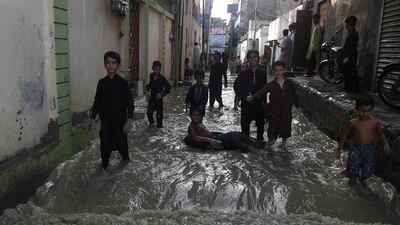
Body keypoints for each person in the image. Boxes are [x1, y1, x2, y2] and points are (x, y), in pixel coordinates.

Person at [90, 51, 134, 169]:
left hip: (120, 123)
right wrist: (93, 118)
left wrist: (129, 119)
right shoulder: (101, 83)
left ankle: (125, 168)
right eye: (108, 63)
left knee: (123, 151)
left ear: (118, 66)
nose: (110, 65)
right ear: (105, 65)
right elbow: (97, 102)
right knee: (104, 146)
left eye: (113, 63)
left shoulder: (123, 83)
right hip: (106, 123)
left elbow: (130, 102)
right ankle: (104, 170)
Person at [336, 94, 391, 186]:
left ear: (372, 110)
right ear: (357, 110)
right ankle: (352, 181)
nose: (365, 113)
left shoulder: (374, 122)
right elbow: (345, 135)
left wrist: (386, 144)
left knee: (368, 171)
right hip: (356, 149)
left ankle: (362, 178)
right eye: (362, 111)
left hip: (370, 149)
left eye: (368, 111)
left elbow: (381, 133)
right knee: (353, 170)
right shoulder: (353, 123)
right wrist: (339, 150)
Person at [247, 61, 299, 149]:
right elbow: (261, 92)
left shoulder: (289, 83)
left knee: (285, 128)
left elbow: (295, 95)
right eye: (276, 70)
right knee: (272, 129)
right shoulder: (271, 85)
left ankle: (283, 145)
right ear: (273, 72)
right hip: (275, 112)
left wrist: (298, 106)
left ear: (284, 70)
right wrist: (252, 97)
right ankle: (269, 144)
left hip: (286, 111)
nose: (278, 72)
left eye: (280, 70)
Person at [187, 108, 264, 152]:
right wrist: (210, 140)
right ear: (190, 116)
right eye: (194, 115)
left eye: (198, 115)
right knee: (234, 134)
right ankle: (250, 148)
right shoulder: (191, 126)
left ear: (201, 116)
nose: (196, 117)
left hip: (215, 137)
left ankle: (259, 144)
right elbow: (195, 137)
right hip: (214, 139)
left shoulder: (199, 124)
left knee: (238, 134)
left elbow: (206, 133)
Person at [236, 50, 268, 141]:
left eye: (255, 57)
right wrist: (238, 99)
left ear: (259, 59)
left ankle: (259, 142)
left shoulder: (263, 73)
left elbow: (264, 88)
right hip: (246, 102)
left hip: (258, 102)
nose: (253, 59)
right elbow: (240, 87)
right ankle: (246, 142)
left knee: (260, 123)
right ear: (248, 59)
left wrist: (264, 102)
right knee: (245, 123)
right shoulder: (244, 73)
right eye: (250, 57)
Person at [146, 60, 172, 128]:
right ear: (152, 68)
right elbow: (150, 84)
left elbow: (169, 87)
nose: (156, 71)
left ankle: (159, 126)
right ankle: (151, 124)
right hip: (152, 98)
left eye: (158, 70)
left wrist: (161, 94)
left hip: (159, 100)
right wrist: (147, 88)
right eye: (155, 69)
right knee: (149, 112)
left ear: (160, 70)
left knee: (159, 118)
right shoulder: (151, 75)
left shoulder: (162, 78)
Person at [341, 16, 359, 93]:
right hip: (351, 56)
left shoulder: (353, 34)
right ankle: (354, 89)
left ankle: (348, 91)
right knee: (352, 73)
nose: (345, 26)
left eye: (346, 24)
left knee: (349, 74)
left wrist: (347, 57)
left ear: (348, 24)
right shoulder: (352, 33)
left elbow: (352, 47)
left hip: (350, 57)